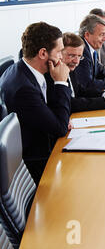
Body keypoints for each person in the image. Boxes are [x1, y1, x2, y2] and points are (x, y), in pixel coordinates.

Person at [0, 22, 71, 185]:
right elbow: (60, 128)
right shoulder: (24, 89)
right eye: (59, 51)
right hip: (37, 164)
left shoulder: (28, 70)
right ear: (43, 53)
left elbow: (53, 114)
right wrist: (61, 82)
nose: (62, 57)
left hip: (41, 145)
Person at [46, 32, 105, 113]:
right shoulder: (53, 74)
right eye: (71, 55)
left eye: (79, 56)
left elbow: (80, 91)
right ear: (59, 54)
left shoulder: (70, 69)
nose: (76, 61)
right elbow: (70, 103)